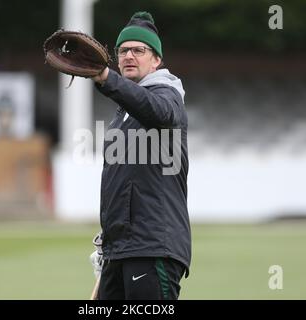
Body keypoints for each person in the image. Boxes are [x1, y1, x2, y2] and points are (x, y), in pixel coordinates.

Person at [90, 11, 191, 300]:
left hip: (152, 246)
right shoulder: (124, 112)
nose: (128, 56)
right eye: (123, 51)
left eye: (138, 50)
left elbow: (155, 110)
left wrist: (106, 78)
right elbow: (124, 185)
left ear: (156, 59)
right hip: (120, 249)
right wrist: (108, 239)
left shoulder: (167, 94)